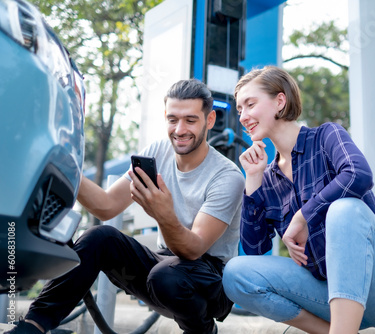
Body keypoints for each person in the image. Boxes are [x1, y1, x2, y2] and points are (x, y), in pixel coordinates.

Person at [8, 79, 245, 334]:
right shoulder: (157, 151)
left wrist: (163, 214)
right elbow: (106, 206)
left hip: (210, 280)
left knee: (166, 276)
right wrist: (61, 168)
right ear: (165, 117)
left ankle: (202, 331)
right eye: (173, 119)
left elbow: (193, 249)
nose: (179, 129)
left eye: (190, 120)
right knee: (99, 237)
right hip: (166, 263)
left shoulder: (227, 176)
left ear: (209, 121)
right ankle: (34, 325)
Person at [222, 66, 375, 334]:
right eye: (239, 110)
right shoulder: (267, 178)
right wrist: (253, 180)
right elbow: (255, 251)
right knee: (236, 273)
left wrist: (302, 216)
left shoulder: (326, 136)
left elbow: (359, 175)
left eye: (250, 104)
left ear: (279, 101)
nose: (243, 117)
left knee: (345, 209)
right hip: (328, 296)